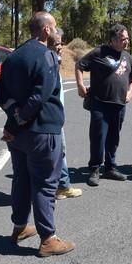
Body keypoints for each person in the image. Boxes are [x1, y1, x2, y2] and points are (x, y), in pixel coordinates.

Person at [0, 12, 74, 257]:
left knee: (21, 179)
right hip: (43, 131)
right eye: (55, 26)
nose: (56, 30)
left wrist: (13, 121)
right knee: (44, 184)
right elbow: (40, 97)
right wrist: (19, 120)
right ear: (47, 30)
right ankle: (48, 238)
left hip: (19, 136)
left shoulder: (13, 57)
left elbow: (0, 92)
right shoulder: (48, 56)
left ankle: (19, 227)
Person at [75, 24, 132, 187]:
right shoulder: (99, 52)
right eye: (123, 39)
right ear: (113, 40)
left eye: (127, 38)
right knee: (98, 137)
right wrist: (80, 85)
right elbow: (80, 65)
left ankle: (110, 167)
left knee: (113, 137)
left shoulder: (127, 56)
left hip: (119, 104)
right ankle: (94, 169)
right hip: (99, 104)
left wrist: (131, 92)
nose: (126, 42)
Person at [50, 27, 83, 200]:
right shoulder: (47, 61)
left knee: (59, 151)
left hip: (57, 115)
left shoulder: (55, 59)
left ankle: (60, 186)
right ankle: (61, 186)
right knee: (57, 151)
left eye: (61, 43)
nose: (60, 46)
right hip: (51, 117)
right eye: (56, 43)